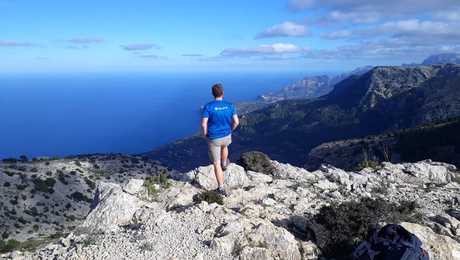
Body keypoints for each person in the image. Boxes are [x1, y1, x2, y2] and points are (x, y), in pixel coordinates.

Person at [201, 83, 239, 196]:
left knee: (215, 163)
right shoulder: (230, 105)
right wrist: (230, 130)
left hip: (214, 137)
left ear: (213, 94)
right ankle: (224, 163)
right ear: (222, 93)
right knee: (225, 146)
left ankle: (221, 188)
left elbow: (204, 124)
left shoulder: (208, 107)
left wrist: (205, 134)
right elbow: (236, 122)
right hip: (227, 135)